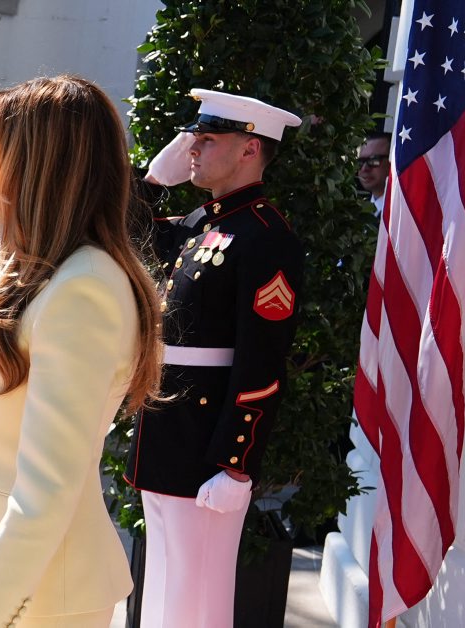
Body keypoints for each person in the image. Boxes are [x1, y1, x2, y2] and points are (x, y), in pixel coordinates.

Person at [0, 75, 163, 627]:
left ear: (39, 166)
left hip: (39, 597)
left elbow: (43, 497)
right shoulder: (37, 269)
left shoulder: (84, 288)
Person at [125, 88, 305, 627]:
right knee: (162, 591)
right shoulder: (202, 223)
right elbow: (126, 232)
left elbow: (262, 359)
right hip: (166, 431)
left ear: (250, 148)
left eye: (207, 139)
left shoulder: (266, 235)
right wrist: (152, 182)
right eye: (193, 139)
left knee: (196, 600)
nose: (194, 149)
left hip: (207, 447)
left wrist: (236, 462)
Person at [357, 131, 391, 217]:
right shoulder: (353, 212)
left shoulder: (407, 211)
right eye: (360, 162)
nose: (364, 169)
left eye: (373, 160)